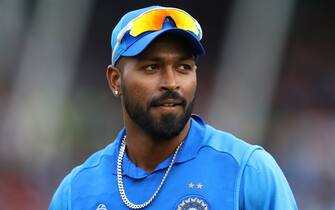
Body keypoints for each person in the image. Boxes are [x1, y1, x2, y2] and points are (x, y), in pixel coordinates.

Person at [49, 5, 298, 210]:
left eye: (183, 67)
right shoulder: (77, 192)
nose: (171, 83)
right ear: (116, 80)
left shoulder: (248, 173)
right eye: (152, 67)